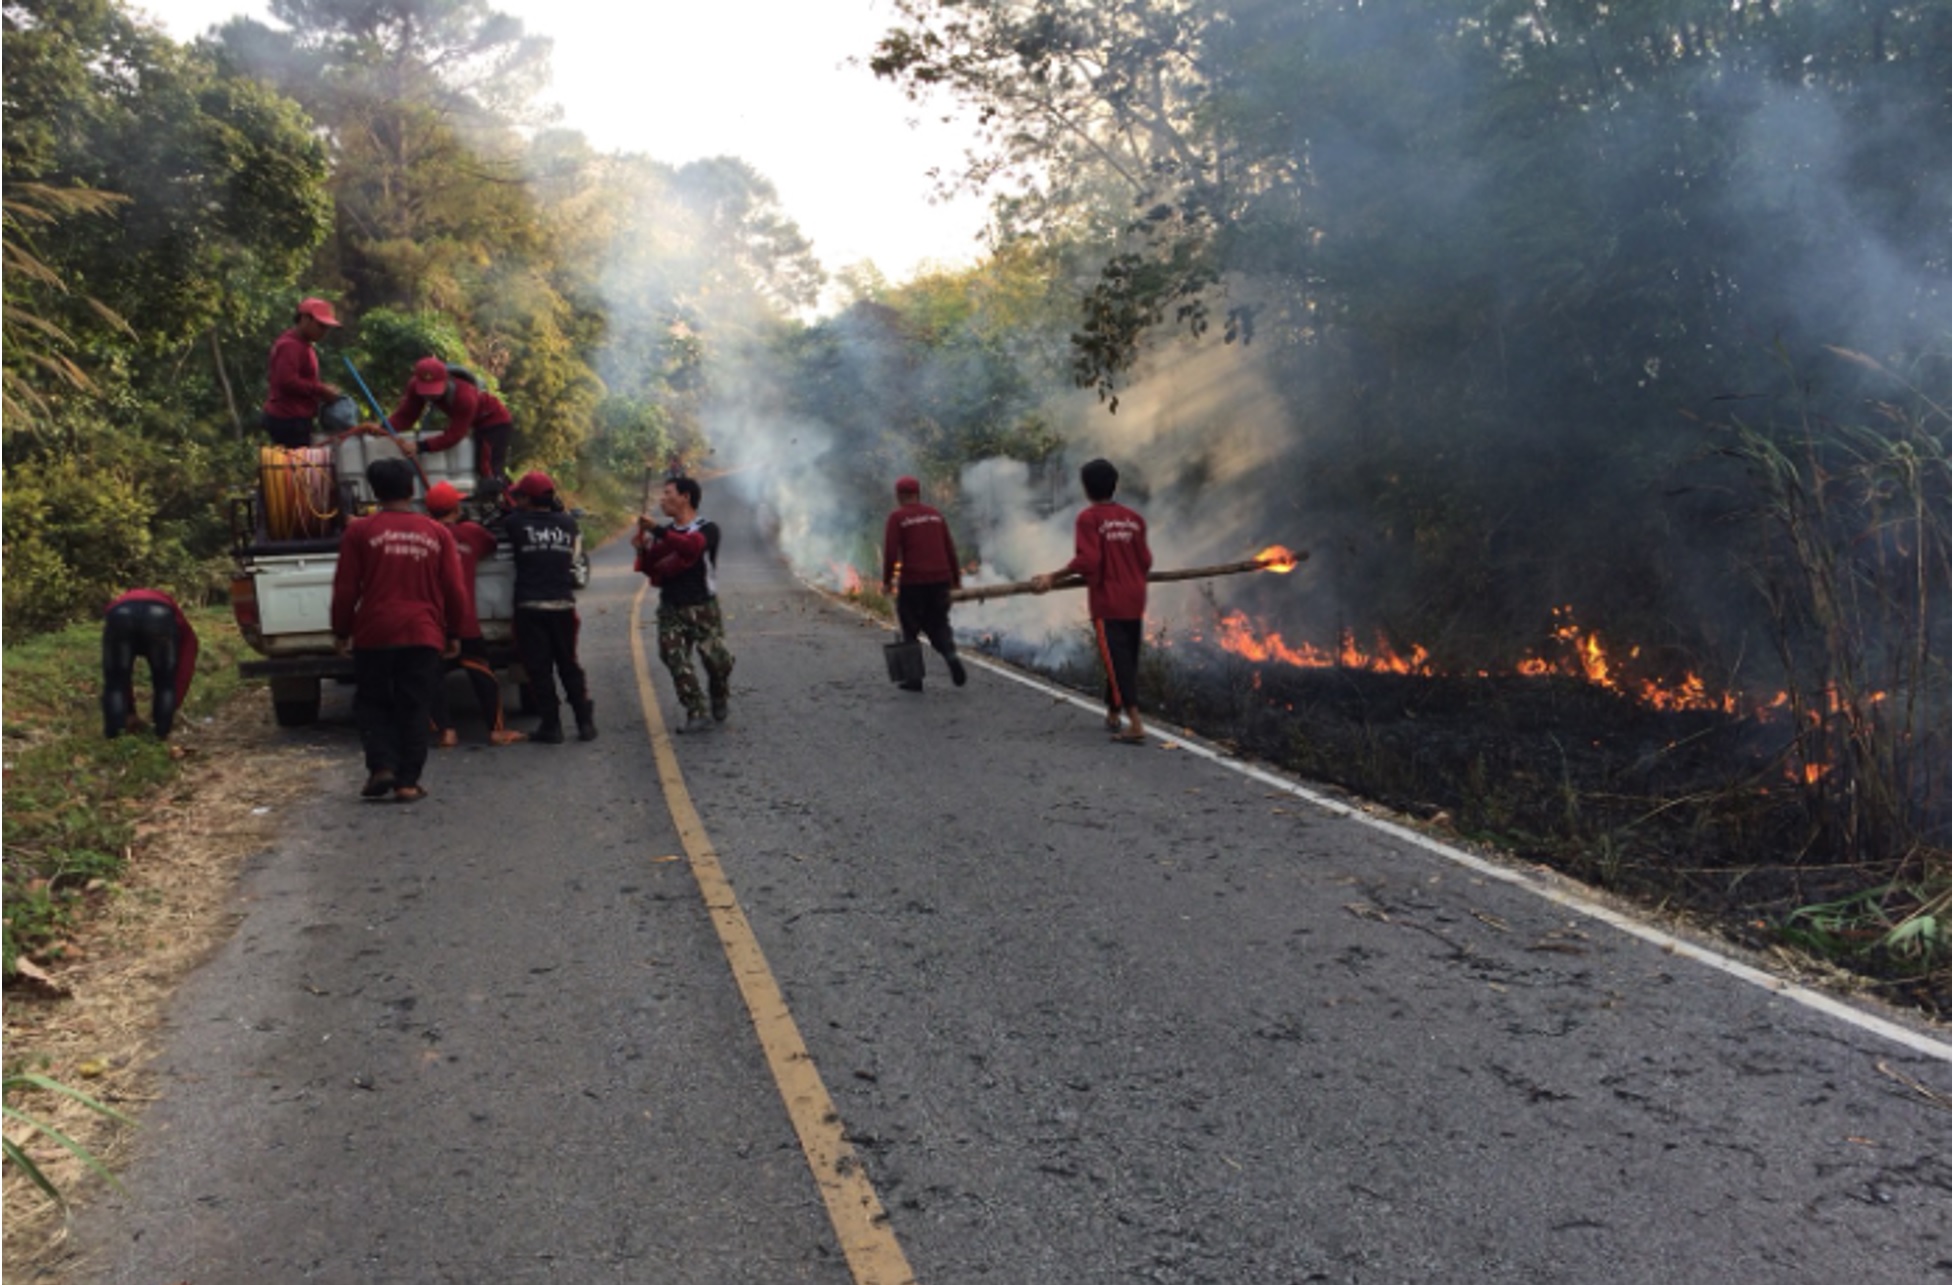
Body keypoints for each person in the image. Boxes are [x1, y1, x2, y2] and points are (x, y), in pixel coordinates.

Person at [330, 457, 468, 801]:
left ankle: (382, 767)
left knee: (373, 703)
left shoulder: (359, 531)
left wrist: (341, 629)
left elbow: (346, 588)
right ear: (412, 490)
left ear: (374, 491)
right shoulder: (437, 533)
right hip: (423, 632)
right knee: (415, 705)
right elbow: (454, 588)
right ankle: (407, 782)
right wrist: (454, 632)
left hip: (374, 631)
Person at [1032, 458, 1153, 744]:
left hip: (1108, 601)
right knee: (1124, 658)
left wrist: (1052, 576)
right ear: (1115, 485)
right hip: (1135, 598)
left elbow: (1088, 560)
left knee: (1116, 659)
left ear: (1086, 488)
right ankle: (1113, 712)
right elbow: (1145, 561)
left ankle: (1135, 722)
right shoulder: (1134, 519)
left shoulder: (1089, 518)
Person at [424, 481, 526, 748]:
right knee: (483, 675)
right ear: (457, 508)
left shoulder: (421, 536)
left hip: (430, 624)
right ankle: (496, 730)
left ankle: (446, 731)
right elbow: (491, 544)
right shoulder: (469, 533)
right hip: (464, 621)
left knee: (431, 677)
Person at [632, 475, 734, 734]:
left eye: (668, 493)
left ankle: (718, 692)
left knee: (718, 662)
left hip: (703, 607)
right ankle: (696, 711)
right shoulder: (662, 535)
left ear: (685, 497)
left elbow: (691, 548)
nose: (662, 499)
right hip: (671, 607)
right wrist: (642, 550)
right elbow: (650, 568)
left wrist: (657, 529)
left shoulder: (707, 529)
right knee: (673, 657)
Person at [504, 470, 594, 743]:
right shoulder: (568, 523)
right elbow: (574, 557)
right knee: (568, 664)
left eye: (520, 495)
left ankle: (551, 726)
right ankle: (584, 722)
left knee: (539, 668)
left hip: (530, 606)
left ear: (528, 498)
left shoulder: (514, 523)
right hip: (563, 604)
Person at [879, 475, 967, 691]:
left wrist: (888, 581)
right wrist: (955, 579)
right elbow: (949, 548)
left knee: (909, 627)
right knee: (938, 625)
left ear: (899, 495)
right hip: (941, 580)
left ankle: (913, 679)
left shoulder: (897, 517)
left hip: (914, 580)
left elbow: (891, 553)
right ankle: (952, 656)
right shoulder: (936, 515)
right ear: (918, 494)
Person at [386, 356, 515, 483]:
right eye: (426, 391)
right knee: (478, 468)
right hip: (474, 422)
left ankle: (504, 498)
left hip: (494, 421)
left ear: (446, 380)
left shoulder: (464, 396)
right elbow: (406, 415)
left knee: (488, 469)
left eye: (434, 390)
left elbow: (455, 434)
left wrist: (420, 447)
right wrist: (384, 428)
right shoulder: (415, 387)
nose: (430, 395)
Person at [101, 589, 199, 740]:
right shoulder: (181, 626)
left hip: (119, 614)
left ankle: (116, 739)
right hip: (159, 615)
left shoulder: (123, 600)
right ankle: (160, 735)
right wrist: (174, 702)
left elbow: (118, 680)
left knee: (116, 683)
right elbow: (182, 668)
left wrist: (129, 711)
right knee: (165, 683)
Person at [262, 298, 344, 447]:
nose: (324, 332)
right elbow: (287, 381)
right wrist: (321, 390)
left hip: (297, 418)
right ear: (305, 319)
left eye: (327, 328)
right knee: (297, 466)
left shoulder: (303, 345)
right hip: (288, 419)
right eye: (320, 326)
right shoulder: (290, 346)